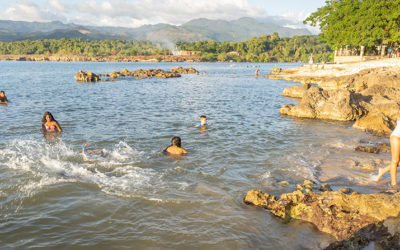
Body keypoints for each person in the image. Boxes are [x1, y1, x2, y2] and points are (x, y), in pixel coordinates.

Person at [376, 110, 400, 187]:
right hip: (396, 137)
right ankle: (394, 184)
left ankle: (382, 171)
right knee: (395, 160)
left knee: (398, 162)